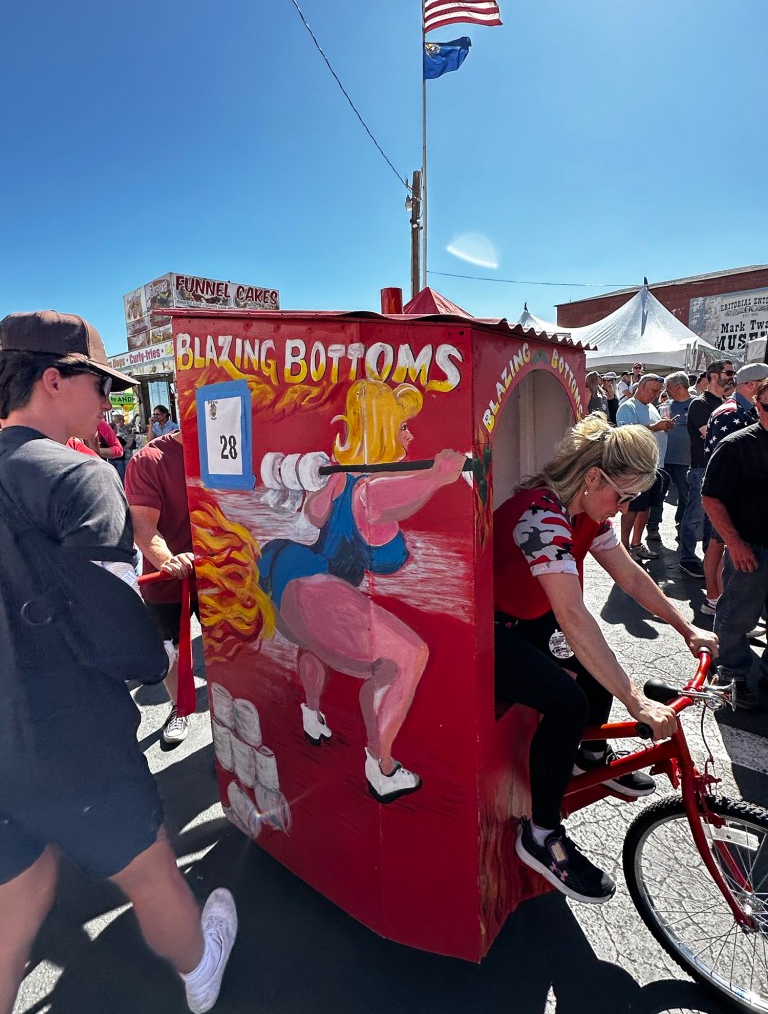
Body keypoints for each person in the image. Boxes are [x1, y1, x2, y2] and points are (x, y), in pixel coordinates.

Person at [0, 311, 236, 1014]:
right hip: (70, 733)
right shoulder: (80, 474)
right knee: (154, 872)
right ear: (53, 378)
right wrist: (162, 661)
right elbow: (119, 631)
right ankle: (202, 968)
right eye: (101, 384)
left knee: (22, 889)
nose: (111, 402)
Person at [494, 412, 717, 904]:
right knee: (569, 701)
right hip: (491, 631)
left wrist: (686, 628)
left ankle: (589, 758)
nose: (622, 508)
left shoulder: (586, 512)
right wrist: (636, 701)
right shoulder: (541, 517)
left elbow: (631, 577)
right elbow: (572, 614)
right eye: (622, 495)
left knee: (596, 674)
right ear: (593, 477)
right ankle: (541, 835)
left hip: (530, 620)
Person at [257, 378, 466, 802]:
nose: (411, 435)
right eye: (403, 426)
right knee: (406, 657)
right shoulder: (373, 488)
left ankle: (312, 715)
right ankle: (381, 766)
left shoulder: (337, 479)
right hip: (319, 591)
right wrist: (438, 475)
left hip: (287, 584)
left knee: (313, 645)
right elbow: (397, 492)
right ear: (386, 428)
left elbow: (315, 517)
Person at [125, 428, 195, 745]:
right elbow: (143, 527)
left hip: (224, 581)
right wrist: (170, 561)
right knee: (172, 653)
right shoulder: (150, 460)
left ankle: (232, 728)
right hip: (169, 582)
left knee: (231, 652)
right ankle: (180, 709)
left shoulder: (232, 450)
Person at [703, 376, 768, 712]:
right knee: (736, 616)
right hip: (751, 547)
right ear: (758, 406)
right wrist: (735, 543)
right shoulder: (736, 445)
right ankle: (731, 673)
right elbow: (711, 498)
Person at [678, 360, 736, 578]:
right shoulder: (700, 404)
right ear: (714, 376)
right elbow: (710, 434)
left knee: (713, 520)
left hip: (719, 469)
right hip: (702, 468)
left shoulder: (727, 403)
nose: (732, 377)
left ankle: (708, 558)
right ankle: (687, 558)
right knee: (694, 516)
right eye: (728, 372)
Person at [616, 374, 674, 560]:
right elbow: (627, 434)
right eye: (653, 390)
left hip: (654, 466)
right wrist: (655, 428)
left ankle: (636, 544)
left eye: (658, 391)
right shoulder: (628, 407)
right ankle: (624, 547)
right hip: (636, 467)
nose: (656, 395)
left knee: (646, 507)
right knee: (632, 508)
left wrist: (664, 427)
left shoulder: (651, 408)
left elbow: (653, 428)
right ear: (640, 387)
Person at [646, 372, 691, 542]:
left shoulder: (695, 405)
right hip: (663, 459)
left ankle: (682, 527)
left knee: (685, 496)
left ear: (679, 386)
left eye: (669, 387)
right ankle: (653, 528)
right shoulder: (664, 406)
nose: (666, 390)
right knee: (657, 495)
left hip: (684, 460)